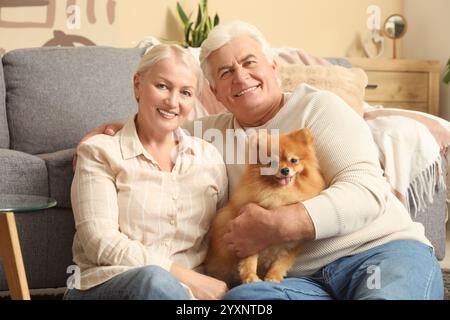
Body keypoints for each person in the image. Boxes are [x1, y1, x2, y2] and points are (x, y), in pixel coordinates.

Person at [78, 21, 444, 300]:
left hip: (379, 253)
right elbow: (165, 117)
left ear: (273, 66)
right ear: (217, 93)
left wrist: (278, 224)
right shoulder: (208, 135)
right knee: (243, 301)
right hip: (294, 278)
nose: (241, 77)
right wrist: (121, 126)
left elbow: (366, 190)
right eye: (225, 73)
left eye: (249, 62)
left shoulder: (319, 108)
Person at [64, 44, 229, 300]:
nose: (172, 102)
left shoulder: (208, 157)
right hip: (108, 284)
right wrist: (185, 277)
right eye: (162, 86)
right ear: (138, 85)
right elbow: (100, 243)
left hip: (193, 296)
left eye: (185, 92)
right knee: (154, 281)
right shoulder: (100, 152)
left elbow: (222, 237)